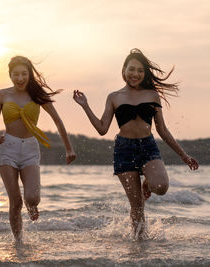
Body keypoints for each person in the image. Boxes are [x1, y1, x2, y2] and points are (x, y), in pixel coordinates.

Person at [73, 48, 199, 238]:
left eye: (140, 71)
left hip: (148, 147)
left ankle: (146, 184)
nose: (136, 74)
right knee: (137, 206)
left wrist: (184, 155)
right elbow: (102, 128)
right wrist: (85, 106)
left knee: (161, 187)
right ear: (124, 70)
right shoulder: (114, 97)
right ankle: (140, 246)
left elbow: (162, 130)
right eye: (132, 69)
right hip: (124, 150)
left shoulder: (152, 95)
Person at [0, 56, 76, 242]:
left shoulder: (37, 95)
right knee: (15, 201)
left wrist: (69, 149)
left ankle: (32, 206)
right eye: (16, 74)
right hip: (7, 147)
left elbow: (58, 121)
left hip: (30, 149)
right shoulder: (2, 95)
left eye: (24, 74)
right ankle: (18, 241)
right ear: (10, 75)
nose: (20, 78)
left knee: (32, 197)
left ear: (29, 74)